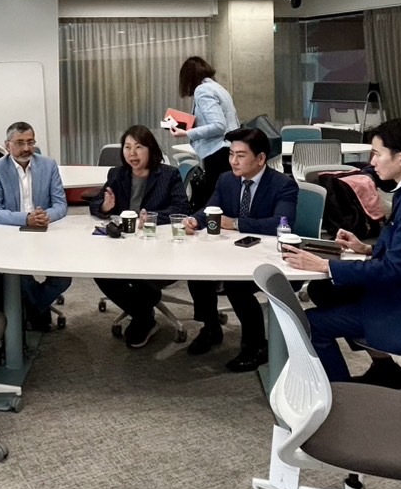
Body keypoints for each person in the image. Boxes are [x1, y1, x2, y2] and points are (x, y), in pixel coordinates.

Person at [280, 118, 401, 386]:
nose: (372, 162)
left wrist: (325, 265)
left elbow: (394, 270)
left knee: (310, 323)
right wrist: (366, 248)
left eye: (377, 154)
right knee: (323, 290)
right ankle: (385, 368)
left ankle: (343, 397)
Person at [181, 128, 299, 368]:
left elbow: (280, 224)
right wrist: (195, 220)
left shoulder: (283, 185)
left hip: (268, 256)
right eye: (231, 154)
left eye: (241, 155)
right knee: (197, 272)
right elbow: (211, 209)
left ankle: (256, 345)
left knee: (237, 286)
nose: (233, 161)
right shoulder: (226, 180)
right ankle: (211, 327)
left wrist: (235, 223)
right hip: (233, 251)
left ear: (261, 158)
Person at [87, 125, 191, 348]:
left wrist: (153, 217)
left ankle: (142, 317)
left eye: (138, 147)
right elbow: (95, 204)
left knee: (144, 280)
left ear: (151, 149)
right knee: (100, 272)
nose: (132, 153)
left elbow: (182, 209)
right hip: (123, 246)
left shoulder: (168, 174)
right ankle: (144, 315)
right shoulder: (117, 174)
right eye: (127, 147)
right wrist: (105, 207)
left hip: (157, 247)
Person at [0, 121, 70, 331]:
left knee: (64, 278)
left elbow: (61, 204)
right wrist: (25, 218)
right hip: (12, 234)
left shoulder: (48, 165)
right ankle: (38, 313)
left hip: (45, 232)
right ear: (8, 145)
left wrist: (45, 216)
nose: (26, 148)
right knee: (19, 279)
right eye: (20, 143)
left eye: (30, 142)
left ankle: (32, 310)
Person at [170, 55, 240, 210]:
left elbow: (218, 125)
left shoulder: (202, 90)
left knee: (215, 204)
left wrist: (187, 133)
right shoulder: (218, 88)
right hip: (229, 149)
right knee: (226, 199)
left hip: (217, 151)